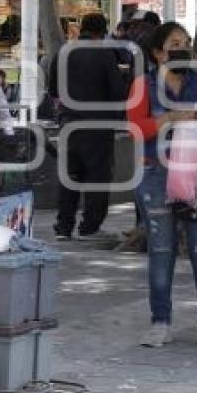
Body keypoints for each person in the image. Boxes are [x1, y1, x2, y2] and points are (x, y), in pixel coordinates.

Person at [127, 22, 197, 349]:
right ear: (158, 52)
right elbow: (134, 128)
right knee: (161, 250)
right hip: (156, 176)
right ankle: (160, 322)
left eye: (186, 42)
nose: (183, 48)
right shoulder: (142, 86)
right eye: (175, 43)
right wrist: (169, 119)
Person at [49, 13, 126, 241]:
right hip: (97, 125)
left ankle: (64, 226)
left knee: (69, 176)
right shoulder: (104, 55)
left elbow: (53, 90)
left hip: (68, 122)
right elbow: (117, 92)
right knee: (97, 177)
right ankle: (90, 227)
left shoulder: (63, 52)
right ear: (102, 32)